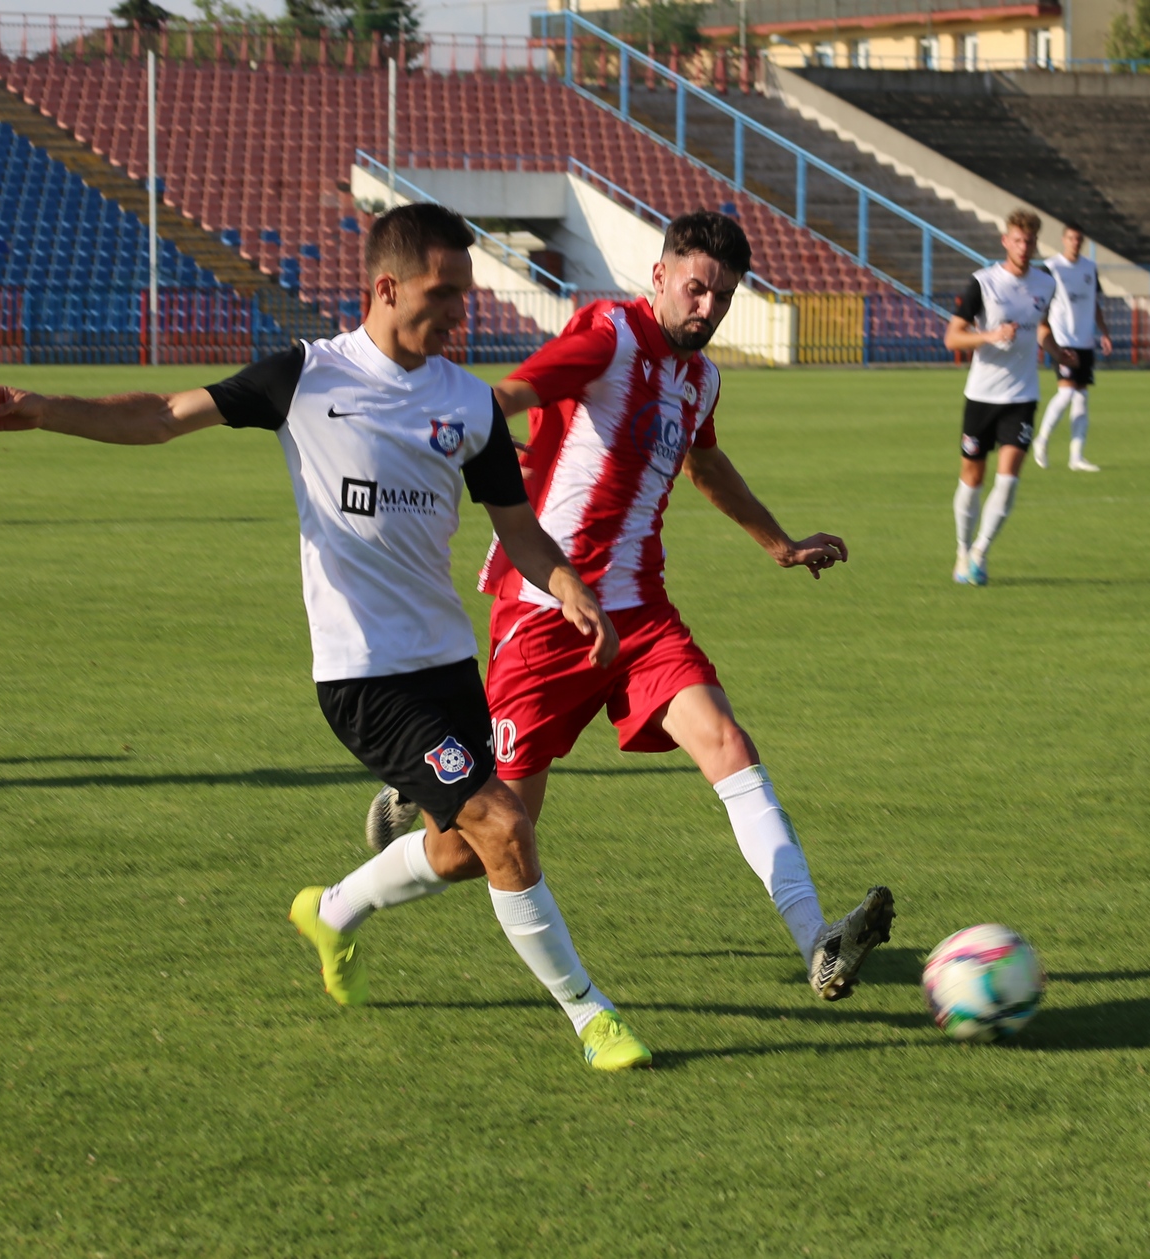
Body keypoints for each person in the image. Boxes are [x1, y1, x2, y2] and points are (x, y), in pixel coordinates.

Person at [0, 203, 654, 1072]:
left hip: (447, 664)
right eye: (443, 295)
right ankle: (591, 1015)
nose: (458, 313)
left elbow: (517, 527)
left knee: (464, 849)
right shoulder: (308, 377)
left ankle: (331, 910)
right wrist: (44, 408)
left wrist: (567, 587)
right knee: (504, 823)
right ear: (387, 287)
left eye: (465, 296)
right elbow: (165, 414)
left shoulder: (469, 404)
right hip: (366, 678)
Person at [368, 211, 895, 1001]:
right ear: (660, 276)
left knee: (728, 743)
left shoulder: (700, 378)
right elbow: (515, 391)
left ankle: (815, 940)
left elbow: (705, 465)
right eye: (696, 287)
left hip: (642, 614)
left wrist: (779, 544)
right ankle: (337, 905)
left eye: (722, 297)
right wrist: (431, 432)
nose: (707, 307)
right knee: (476, 849)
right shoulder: (609, 333)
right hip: (547, 611)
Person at [944, 208, 1059, 587]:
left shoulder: (1045, 284)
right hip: (981, 395)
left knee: (1008, 479)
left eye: (1030, 241)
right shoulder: (982, 283)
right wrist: (990, 337)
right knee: (972, 477)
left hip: (1023, 395)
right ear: (1005, 241)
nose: (1024, 247)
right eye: (1018, 240)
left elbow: (1041, 327)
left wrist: (1056, 349)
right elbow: (953, 337)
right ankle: (962, 551)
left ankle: (980, 552)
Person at [1034, 223, 1112, 473]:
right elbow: (1040, 300)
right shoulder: (1052, 267)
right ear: (1063, 240)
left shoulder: (1090, 267)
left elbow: (1094, 302)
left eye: (1079, 239)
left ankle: (1076, 457)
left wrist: (1104, 332)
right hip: (1062, 340)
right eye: (1071, 238)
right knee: (1066, 394)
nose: (1075, 242)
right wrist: (1042, 327)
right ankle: (1041, 441)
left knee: (1082, 398)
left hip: (1085, 341)